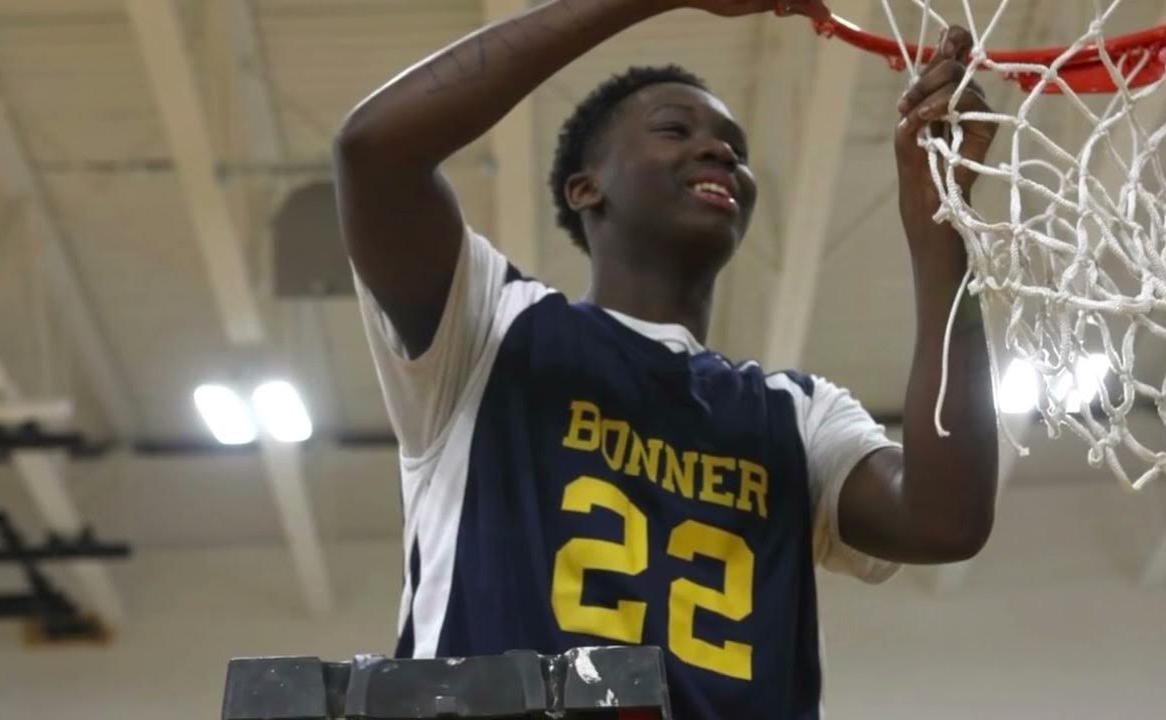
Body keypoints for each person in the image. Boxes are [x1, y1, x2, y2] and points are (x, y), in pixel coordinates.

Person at [334, 1, 998, 717]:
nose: (720, 153)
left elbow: (945, 519)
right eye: (674, 130)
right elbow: (374, 152)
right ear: (586, 189)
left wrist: (941, 222)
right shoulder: (492, 329)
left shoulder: (795, 417)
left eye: (735, 149)